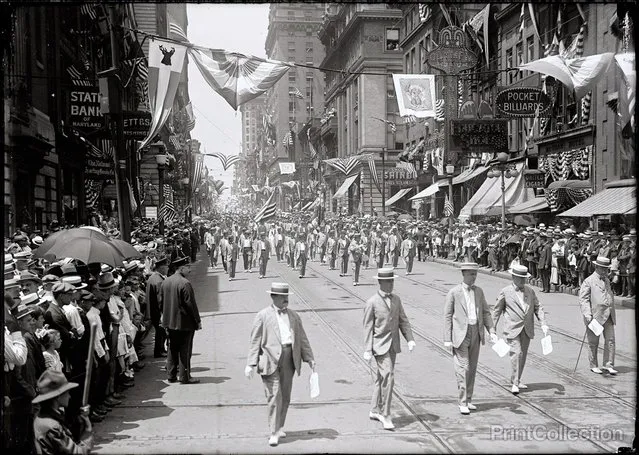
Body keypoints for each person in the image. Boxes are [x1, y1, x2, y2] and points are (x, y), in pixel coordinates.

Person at [245, 283, 315, 447]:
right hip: (269, 359)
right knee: (274, 395)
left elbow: (302, 339)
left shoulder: (294, 316)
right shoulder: (263, 316)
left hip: (289, 357)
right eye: (282, 296)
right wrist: (250, 363)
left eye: (287, 296)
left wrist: (309, 358)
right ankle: (274, 431)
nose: (286, 299)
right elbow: (255, 341)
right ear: (273, 297)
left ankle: (279, 425)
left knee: (285, 395)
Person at [363, 268, 415, 430]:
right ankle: (386, 414)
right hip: (379, 346)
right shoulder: (372, 302)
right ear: (380, 282)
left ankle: (374, 409)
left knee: (381, 378)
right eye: (388, 281)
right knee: (388, 377)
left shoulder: (397, 300)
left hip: (393, 345)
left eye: (392, 281)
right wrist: (367, 348)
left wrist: (410, 339)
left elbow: (403, 320)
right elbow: (367, 327)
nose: (391, 284)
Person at [443, 263, 497, 414]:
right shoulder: (454, 292)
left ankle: (468, 398)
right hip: (460, 334)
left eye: (475, 274)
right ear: (464, 274)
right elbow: (447, 316)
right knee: (463, 367)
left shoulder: (479, 292)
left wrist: (491, 331)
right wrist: (447, 338)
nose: (474, 277)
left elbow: (486, 312)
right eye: (471, 274)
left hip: (476, 332)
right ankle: (462, 401)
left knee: (472, 368)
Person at [492, 264, 549, 394]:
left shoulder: (530, 291)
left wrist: (543, 323)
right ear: (513, 277)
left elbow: (537, 307)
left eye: (524, 278)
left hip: (527, 328)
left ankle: (517, 378)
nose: (523, 281)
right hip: (512, 328)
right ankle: (514, 383)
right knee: (516, 353)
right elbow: (496, 311)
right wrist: (492, 329)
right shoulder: (505, 292)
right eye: (520, 278)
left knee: (522, 355)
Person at [32, 370, 93, 454]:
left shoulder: (44, 416)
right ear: (58, 396)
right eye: (67, 392)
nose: (69, 396)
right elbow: (79, 452)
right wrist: (88, 428)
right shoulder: (53, 427)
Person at [161, 257, 201, 384]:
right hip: (184, 323)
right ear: (181, 268)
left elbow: (161, 302)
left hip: (169, 322)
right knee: (185, 349)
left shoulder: (166, 282)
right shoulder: (185, 283)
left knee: (172, 348)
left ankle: (171, 375)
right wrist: (197, 320)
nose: (189, 269)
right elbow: (191, 305)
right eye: (187, 267)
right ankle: (185, 376)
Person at [579, 256, 617, 375]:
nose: (605, 271)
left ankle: (608, 364)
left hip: (609, 314)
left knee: (610, 340)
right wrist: (587, 314)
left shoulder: (606, 280)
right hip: (595, 316)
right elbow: (583, 299)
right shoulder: (588, 281)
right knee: (593, 342)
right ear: (597, 267)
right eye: (603, 268)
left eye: (606, 269)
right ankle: (593, 364)